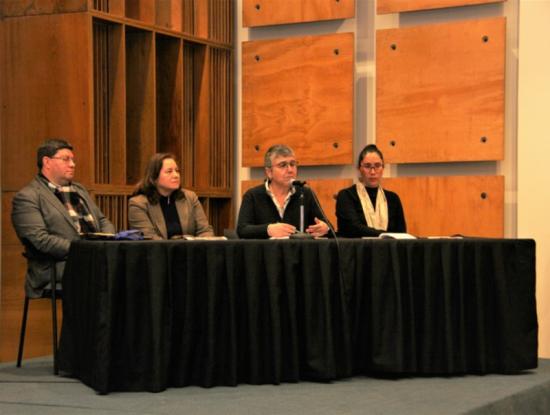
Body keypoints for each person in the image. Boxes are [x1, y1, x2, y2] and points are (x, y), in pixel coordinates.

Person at [11, 139, 115, 298]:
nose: (73, 164)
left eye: (73, 159)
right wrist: (84, 251)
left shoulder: (78, 190)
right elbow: (40, 240)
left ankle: (111, 323)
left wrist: (108, 241)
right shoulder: (28, 197)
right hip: (56, 267)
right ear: (47, 162)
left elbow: (103, 221)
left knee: (130, 269)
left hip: (93, 259)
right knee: (107, 276)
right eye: (66, 159)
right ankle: (90, 323)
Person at [237, 144, 330, 239]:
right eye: (283, 165)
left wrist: (324, 228)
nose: (290, 170)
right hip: (266, 252)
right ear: (269, 172)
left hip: (298, 252)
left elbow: (329, 227)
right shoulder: (253, 195)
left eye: (293, 164)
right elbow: (242, 230)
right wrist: (268, 230)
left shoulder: (305, 193)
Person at [128, 153, 214, 239]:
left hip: (191, 251)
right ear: (154, 177)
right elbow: (150, 239)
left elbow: (205, 231)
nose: (176, 175)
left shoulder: (190, 198)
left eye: (177, 171)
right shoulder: (138, 204)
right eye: (169, 171)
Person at [336, 144, 406, 237]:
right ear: (359, 169)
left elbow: (401, 235)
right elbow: (353, 229)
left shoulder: (393, 199)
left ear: (383, 168)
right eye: (367, 166)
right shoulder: (346, 196)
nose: (373, 172)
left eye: (377, 165)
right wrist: (387, 235)